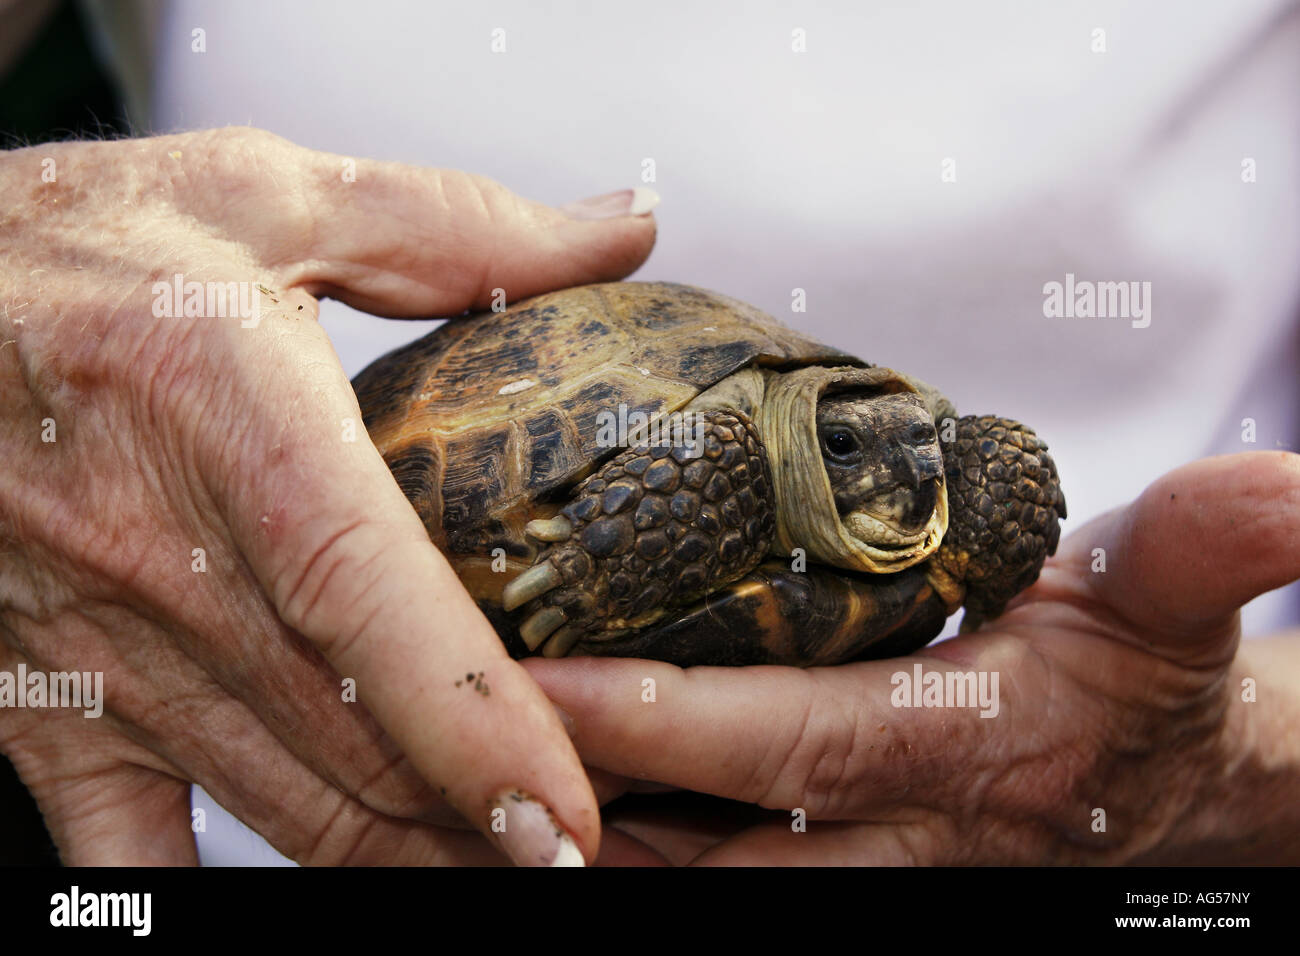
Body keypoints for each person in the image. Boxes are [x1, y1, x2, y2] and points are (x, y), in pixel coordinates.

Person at [1, 0, 1297, 865]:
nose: (902, 472)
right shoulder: (727, 461)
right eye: (849, 450)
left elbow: (949, 473)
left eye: (900, 448)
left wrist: (1224, 756)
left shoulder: (936, 471)